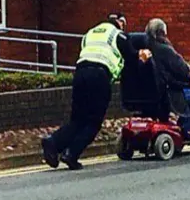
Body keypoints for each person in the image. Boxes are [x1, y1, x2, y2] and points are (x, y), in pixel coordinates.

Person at [41, 13, 151, 170]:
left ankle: (53, 142)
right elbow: (131, 57)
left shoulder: (89, 33)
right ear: (119, 23)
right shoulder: (117, 35)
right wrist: (143, 56)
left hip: (80, 73)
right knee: (93, 121)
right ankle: (71, 154)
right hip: (99, 76)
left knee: (78, 119)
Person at [144, 18, 190, 140]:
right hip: (167, 93)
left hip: (145, 93)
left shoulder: (142, 49)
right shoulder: (165, 49)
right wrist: (189, 73)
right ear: (162, 33)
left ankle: (165, 123)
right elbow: (182, 69)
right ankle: (185, 128)